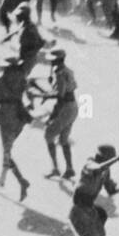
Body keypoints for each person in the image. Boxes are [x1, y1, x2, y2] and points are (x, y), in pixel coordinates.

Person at [0, 55, 35, 196]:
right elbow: (29, 95)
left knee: (6, 150)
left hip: (6, 116)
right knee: (7, 149)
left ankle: (21, 180)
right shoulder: (23, 78)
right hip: (20, 115)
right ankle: (4, 177)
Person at [39, 48, 78, 178]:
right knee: (63, 139)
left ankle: (55, 168)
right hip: (73, 106)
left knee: (48, 135)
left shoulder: (60, 73)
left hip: (66, 107)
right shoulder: (68, 71)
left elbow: (60, 95)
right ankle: (69, 168)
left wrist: (47, 96)